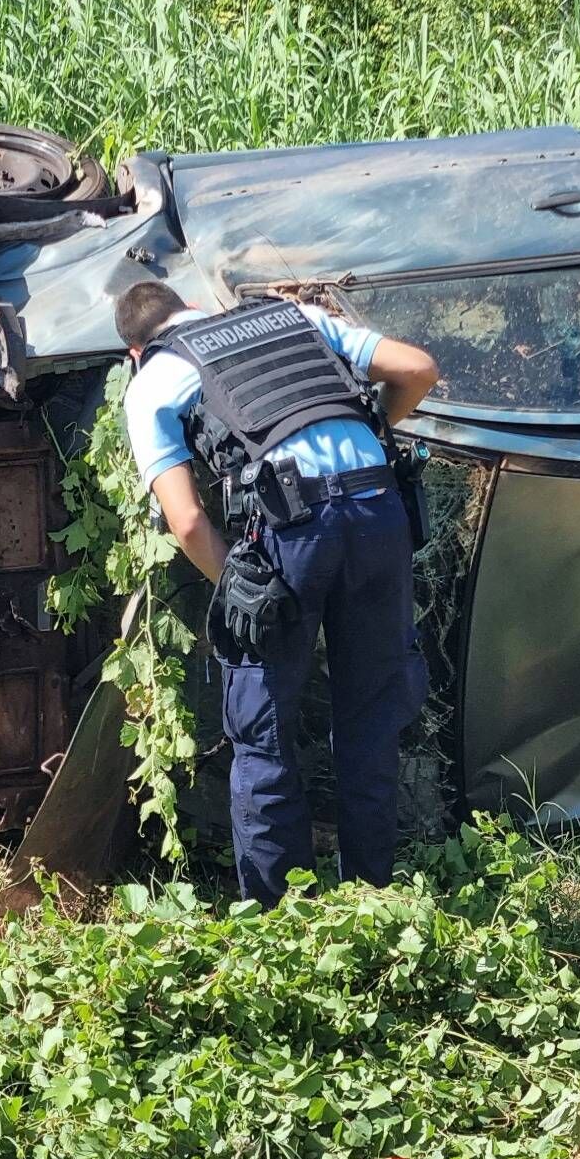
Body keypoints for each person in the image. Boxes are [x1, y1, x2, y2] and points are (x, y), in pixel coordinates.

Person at [115, 280, 440, 906]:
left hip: (293, 530)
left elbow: (186, 523)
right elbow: (419, 369)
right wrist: (372, 438)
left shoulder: (154, 378)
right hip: (380, 510)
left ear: (134, 349)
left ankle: (276, 919)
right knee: (371, 717)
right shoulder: (299, 319)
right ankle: (371, 902)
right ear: (197, 307)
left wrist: (240, 590)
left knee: (262, 732)